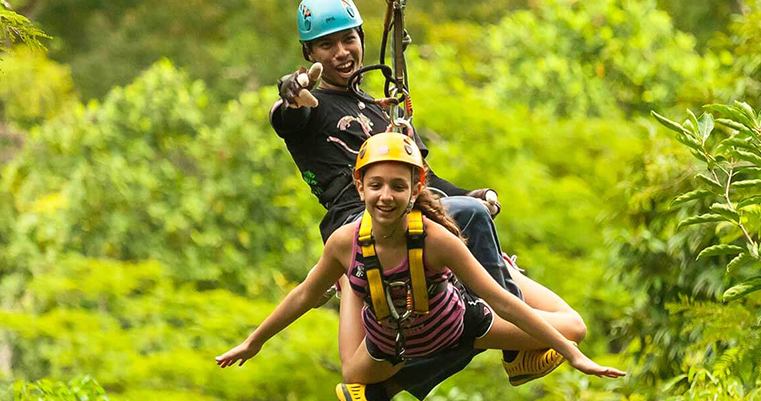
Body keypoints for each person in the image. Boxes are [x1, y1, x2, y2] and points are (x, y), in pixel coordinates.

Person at [269, 0, 581, 398]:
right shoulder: (311, 108)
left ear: (361, 38)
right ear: (309, 54)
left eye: (348, 39)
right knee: (469, 226)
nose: (342, 53)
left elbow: (425, 182)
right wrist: (292, 92)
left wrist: (472, 193)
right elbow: (287, 118)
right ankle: (513, 345)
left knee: (462, 318)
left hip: (415, 213)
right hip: (362, 221)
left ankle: (385, 390)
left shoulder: (379, 110)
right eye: (326, 46)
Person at [215, 133, 626, 398]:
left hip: (460, 328)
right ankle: (352, 287)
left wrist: (572, 355)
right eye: (375, 186)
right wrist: (255, 341)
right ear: (359, 187)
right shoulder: (344, 242)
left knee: (573, 329)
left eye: (398, 186)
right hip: (393, 347)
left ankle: (507, 274)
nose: (386, 196)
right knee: (352, 373)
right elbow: (304, 294)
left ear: (417, 189)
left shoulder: (436, 240)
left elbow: (499, 299)